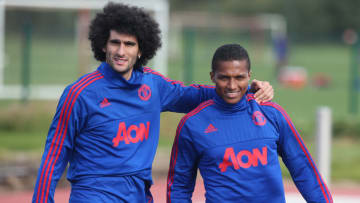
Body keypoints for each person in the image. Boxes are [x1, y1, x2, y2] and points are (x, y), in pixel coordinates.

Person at [32, 2, 274, 203]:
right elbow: (54, 153)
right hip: (95, 194)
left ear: (140, 50)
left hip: (139, 194)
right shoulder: (79, 93)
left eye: (129, 44)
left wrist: (248, 90)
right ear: (103, 44)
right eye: (115, 42)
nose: (121, 51)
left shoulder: (153, 86)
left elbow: (196, 95)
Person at [167, 44, 333, 203]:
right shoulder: (192, 125)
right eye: (224, 78)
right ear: (212, 76)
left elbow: (302, 167)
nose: (232, 86)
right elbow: (179, 188)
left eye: (239, 77)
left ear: (249, 75)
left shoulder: (271, 114)